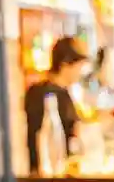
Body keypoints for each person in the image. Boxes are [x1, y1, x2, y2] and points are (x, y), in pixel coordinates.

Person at [24, 36, 88, 170]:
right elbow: (74, 132)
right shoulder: (53, 95)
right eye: (79, 66)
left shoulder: (37, 91)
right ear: (65, 64)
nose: (80, 72)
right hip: (54, 170)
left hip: (44, 169)